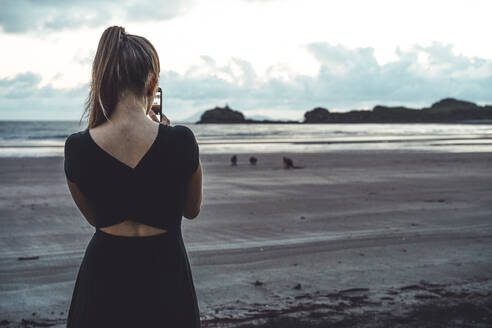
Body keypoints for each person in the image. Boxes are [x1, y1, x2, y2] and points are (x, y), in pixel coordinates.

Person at [63, 26, 202, 328]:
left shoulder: (77, 147)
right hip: (166, 273)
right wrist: (167, 135)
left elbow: (95, 218)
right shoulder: (180, 141)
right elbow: (192, 210)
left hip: (104, 276)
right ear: (152, 82)